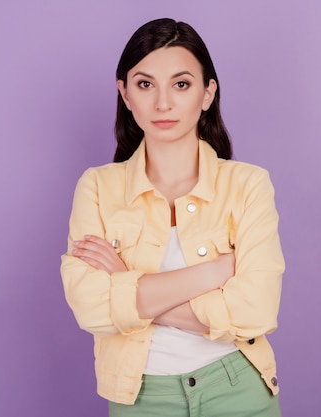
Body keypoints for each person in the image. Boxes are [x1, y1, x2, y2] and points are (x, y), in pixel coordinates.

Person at [60, 18, 284, 417]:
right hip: (141, 397)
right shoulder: (97, 187)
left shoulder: (249, 184)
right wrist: (211, 274)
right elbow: (91, 309)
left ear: (207, 93)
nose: (163, 103)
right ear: (125, 94)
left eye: (181, 84)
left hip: (237, 387)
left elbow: (256, 312)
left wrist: (124, 286)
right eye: (145, 84)